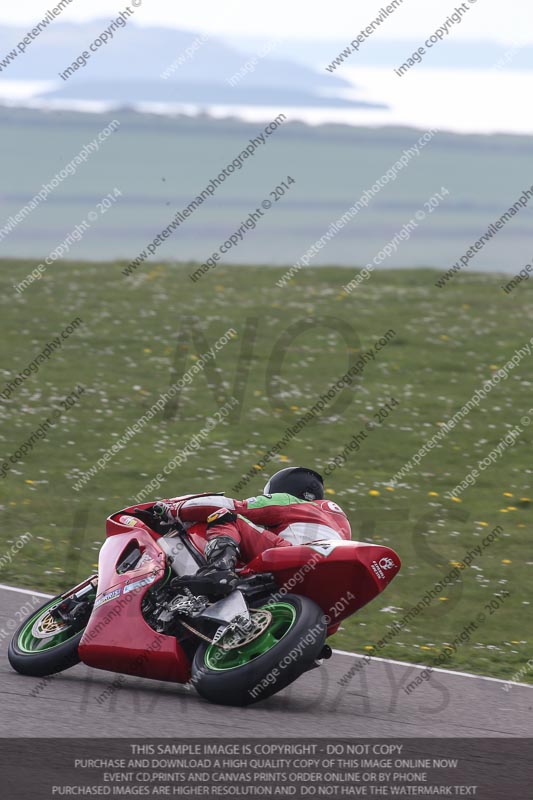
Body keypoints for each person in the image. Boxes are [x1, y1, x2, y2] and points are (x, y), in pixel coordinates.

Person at [155, 467, 351, 596]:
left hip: (293, 556)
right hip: (327, 584)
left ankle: (220, 570)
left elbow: (234, 507)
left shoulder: (289, 501)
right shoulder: (340, 525)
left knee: (225, 515)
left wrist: (172, 510)